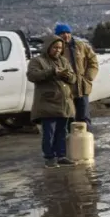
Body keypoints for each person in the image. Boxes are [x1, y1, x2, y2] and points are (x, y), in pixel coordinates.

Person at [26, 34, 77, 168]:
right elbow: (32, 75)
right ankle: (49, 157)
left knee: (62, 131)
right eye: (55, 47)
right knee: (49, 133)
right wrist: (52, 72)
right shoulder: (37, 61)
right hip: (47, 104)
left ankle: (61, 156)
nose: (58, 50)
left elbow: (73, 78)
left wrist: (66, 75)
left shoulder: (63, 61)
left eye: (60, 48)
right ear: (48, 47)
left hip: (64, 103)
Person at [54, 23, 99, 131]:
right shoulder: (56, 49)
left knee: (85, 120)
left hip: (82, 89)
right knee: (69, 120)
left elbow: (93, 61)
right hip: (66, 91)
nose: (66, 35)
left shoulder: (81, 46)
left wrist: (88, 77)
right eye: (62, 33)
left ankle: (86, 146)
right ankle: (71, 145)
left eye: (67, 32)